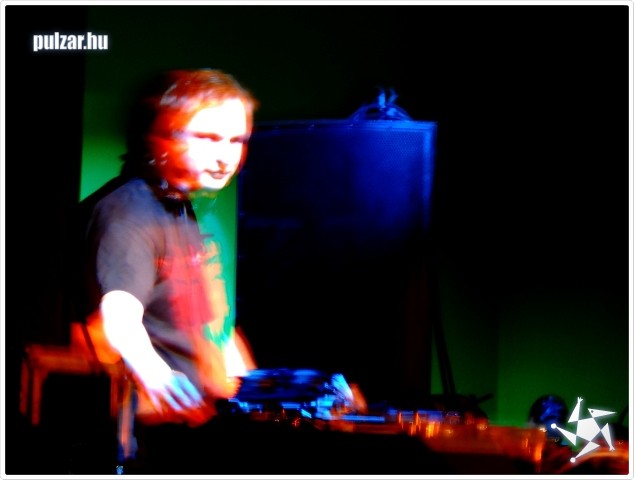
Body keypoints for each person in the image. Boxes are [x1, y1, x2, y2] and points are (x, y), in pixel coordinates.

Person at [77, 69, 259, 473]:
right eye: (208, 138)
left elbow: (212, 329)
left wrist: (260, 391)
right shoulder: (128, 213)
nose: (225, 156)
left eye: (236, 141)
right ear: (160, 138)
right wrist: (159, 376)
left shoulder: (180, 207)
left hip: (192, 433)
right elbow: (118, 317)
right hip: (148, 443)